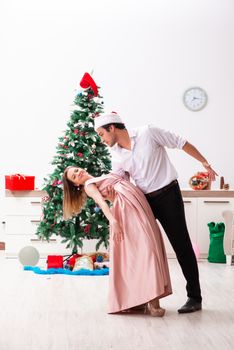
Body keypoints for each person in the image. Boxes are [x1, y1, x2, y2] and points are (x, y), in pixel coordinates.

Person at [94, 112, 218, 314]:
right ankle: (141, 297)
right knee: (141, 249)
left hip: (168, 194)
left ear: (112, 127)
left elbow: (181, 142)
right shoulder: (116, 154)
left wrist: (203, 162)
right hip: (144, 201)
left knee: (181, 245)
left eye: (101, 134)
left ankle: (194, 297)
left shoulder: (148, 133)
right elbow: (119, 181)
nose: (102, 139)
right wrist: (103, 191)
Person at [63, 166, 172, 316]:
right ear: (76, 184)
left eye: (75, 170)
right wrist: (113, 221)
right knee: (146, 249)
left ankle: (139, 299)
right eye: (74, 177)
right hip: (126, 211)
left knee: (146, 246)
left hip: (136, 204)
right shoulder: (88, 185)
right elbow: (101, 202)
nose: (77, 173)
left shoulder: (99, 177)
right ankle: (153, 302)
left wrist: (114, 195)